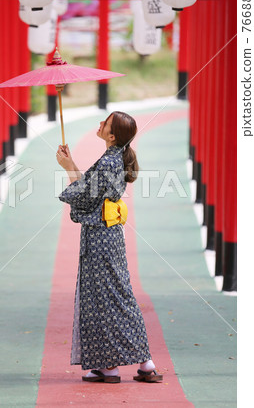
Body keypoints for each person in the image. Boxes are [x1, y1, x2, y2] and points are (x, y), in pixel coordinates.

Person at [56, 111, 162, 384]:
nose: (100, 125)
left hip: (100, 238)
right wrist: (71, 164)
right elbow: (91, 190)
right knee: (111, 296)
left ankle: (135, 362)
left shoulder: (109, 162)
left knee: (108, 297)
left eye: (105, 124)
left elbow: (83, 195)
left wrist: (67, 168)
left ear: (112, 135)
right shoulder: (113, 158)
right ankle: (114, 366)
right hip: (107, 234)